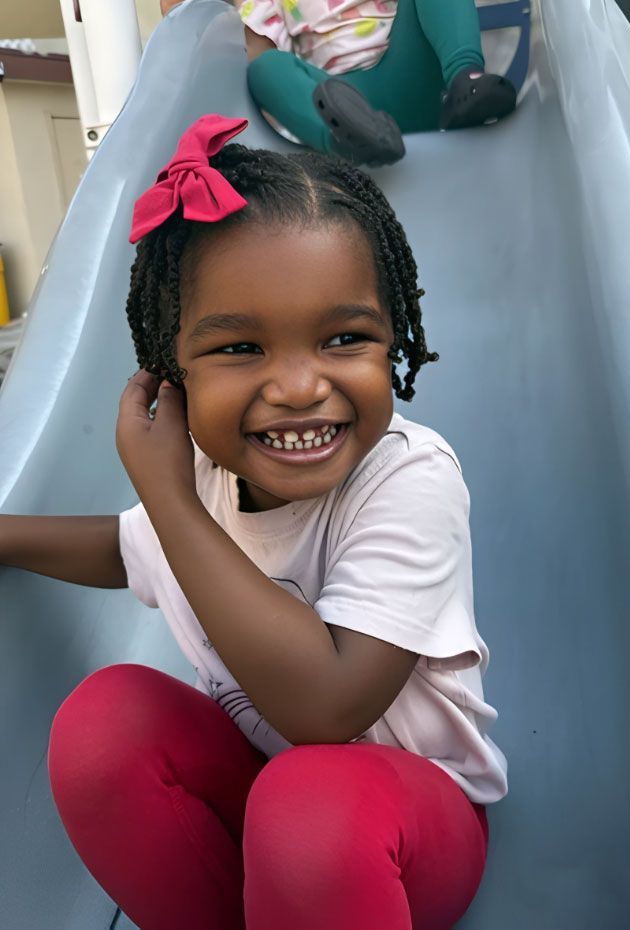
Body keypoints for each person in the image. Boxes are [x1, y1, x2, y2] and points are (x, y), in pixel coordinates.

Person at [0, 114, 507, 930]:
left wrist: (166, 494)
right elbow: (124, 547)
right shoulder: (204, 478)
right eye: (240, 349)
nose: (300, 386)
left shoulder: (411, 479)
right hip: (268, 806)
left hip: (404, 830)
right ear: (172, 373)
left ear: (393, 342)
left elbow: (326, 709)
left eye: (345, 338)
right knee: (104, 726)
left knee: (309, 804)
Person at [240, 0, 518, 164]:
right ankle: (344, 141)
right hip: (342, 102)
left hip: (406, 68)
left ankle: (464, 79)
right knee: (264, 68)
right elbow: (263, 51)